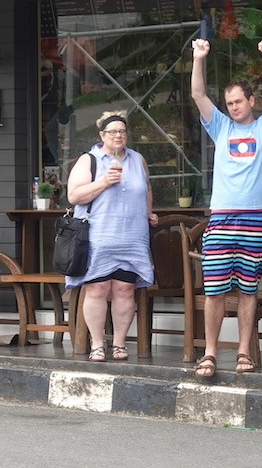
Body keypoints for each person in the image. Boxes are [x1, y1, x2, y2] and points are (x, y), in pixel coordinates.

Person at [189, 37, 262, 377]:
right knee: (214, 291)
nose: (233, 107)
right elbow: (198, 94)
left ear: (251, 101)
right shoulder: (220, 127)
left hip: (254, 221)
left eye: (238, 101)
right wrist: (198, 58)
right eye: (229, 103)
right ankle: (210, 352)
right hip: (220, 219)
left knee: (248, 291)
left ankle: (244, 351)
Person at [64, 111, 159, 362]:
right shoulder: (89, 160)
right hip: (99, 236)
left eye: (122, 131)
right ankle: (97, 343)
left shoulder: (137, 159)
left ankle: (119, 343)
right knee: (97, 288)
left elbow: (147, 188)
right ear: (102, 135)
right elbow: (74, 196)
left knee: (125, 289)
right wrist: (104, 182)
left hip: (132, 237)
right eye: (113, 132)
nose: (118, 136)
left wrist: (149, 212)